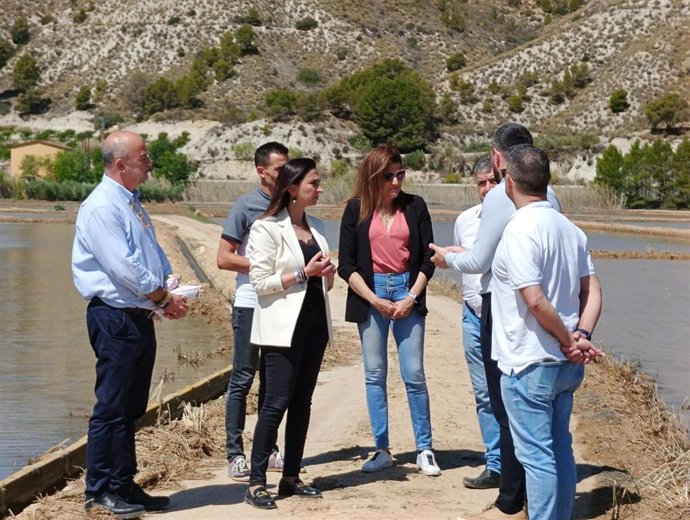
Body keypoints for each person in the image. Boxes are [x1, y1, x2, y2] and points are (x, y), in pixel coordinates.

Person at [430, 123, 560, 520]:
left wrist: (447, 257)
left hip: (501, 306)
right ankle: (523, 495)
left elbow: (478, 261)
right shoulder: (549, 195)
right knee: (545, 422)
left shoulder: (506, 195)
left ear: (499, 156)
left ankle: (511, 497)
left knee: (506, 402)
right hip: (539, 316)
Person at [72, 130, 189, 519]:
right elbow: (123, 267)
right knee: (111, 405)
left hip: (138, 316)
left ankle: (123, 483)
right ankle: (99, 490)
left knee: (130, 406)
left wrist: (168, 289)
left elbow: (151, 255)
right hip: (115, 317)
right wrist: (161, 297)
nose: (149, 161)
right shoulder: (103, 206)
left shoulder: (131, 203)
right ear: (121, 164)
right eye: (143, 155)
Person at [492, 144, 603, 520]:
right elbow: (593, 290)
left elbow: (535, 300)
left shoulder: (519, 230)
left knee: (538, 458)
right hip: (565, 363)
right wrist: (581, 334)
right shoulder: (570, 229)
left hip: (530, 362)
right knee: (560, 449)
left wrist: (566, 338)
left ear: (509, 183)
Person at [338, 144, 441, 477]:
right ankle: (382, 449)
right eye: (388, 176)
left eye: (400, 175)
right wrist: (374, 299)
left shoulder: (415, 206)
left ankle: (424, 449)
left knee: (414, 374)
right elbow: (346, 265)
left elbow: (428, 259)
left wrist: (411, 296)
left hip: (407, 292)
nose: (396, 182)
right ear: (373, 176)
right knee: (374, 375)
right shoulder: (355, 210)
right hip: (372, 294)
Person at [244, 158, 335, 510]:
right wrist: (304, 273)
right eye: (314, 183)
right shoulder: (266, 228)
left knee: (302, 403)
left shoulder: (318, 231)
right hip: (282, 331)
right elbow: (260, 283)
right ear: (293, 188)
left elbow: (319, 280)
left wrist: (327, 274)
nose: (320, 188)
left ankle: (291, 476)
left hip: (313, 328)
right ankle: (255, 483)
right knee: (275, 403)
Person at [217, 141, 289, 481]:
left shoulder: (289, 205)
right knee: (243, 378)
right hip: (249, 303)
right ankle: (235, 453)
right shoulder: (245, 206)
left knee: (272, 380)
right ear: (261, 171)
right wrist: (264, 268)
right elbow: (223, 257)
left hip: (279, 304)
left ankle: (268, 451)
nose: (285, 174)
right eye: (278, 169)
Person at [452, 156, 500, 489]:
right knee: (484, 394)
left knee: (509, 393)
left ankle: (517, 464)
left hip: (503, 317)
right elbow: (463, 266)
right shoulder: (465, 220)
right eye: (480, 183)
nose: (486, 189)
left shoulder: (515, 218)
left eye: (492, 181)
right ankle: (495, 464)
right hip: (472, 314)